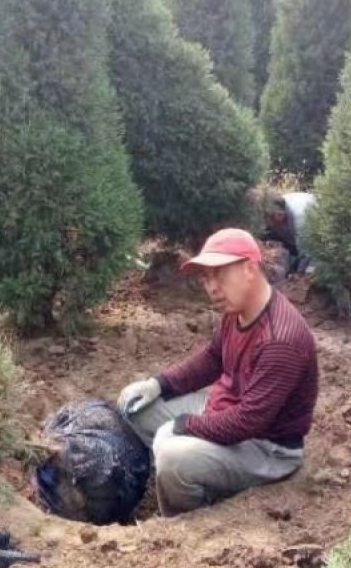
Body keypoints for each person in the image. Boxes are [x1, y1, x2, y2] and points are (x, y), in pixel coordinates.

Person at [118, 228, 318, 517]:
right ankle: (190, 472)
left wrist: (183, 426)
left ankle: (189, 519)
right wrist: (158, 385)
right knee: (137, 408)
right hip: (223, 409)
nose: (211, 287)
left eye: (219, 274)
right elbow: (213, 358)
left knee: (173, 459)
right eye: (206, 278)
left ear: (250, 268)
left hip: (266, 447)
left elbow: (248, 422)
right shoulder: (237, 310)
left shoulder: (281, 340)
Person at [262, 190, 316, 277]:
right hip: (293, 236)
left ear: (281, 214)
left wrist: (299, 275)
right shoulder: (273, 209)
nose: (269, 220)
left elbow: (307, 251)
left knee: (309, 270)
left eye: (272, 217)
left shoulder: (300, 219)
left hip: (316, 241)